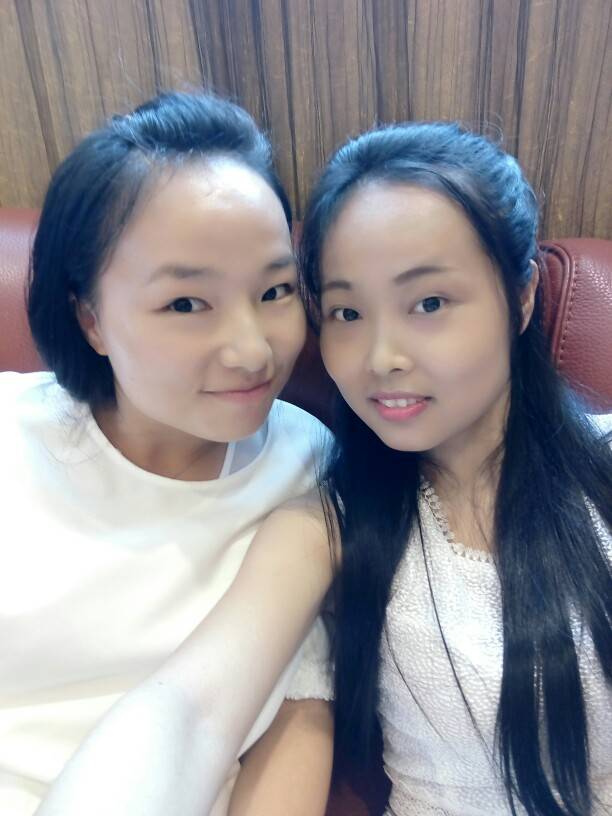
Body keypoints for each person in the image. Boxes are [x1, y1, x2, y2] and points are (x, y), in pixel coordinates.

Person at [0, 91, 334, 816]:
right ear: (90, 318)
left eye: (276, 290)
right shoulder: (10, 438)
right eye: (186, 303)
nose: (252, 350)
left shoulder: (311, 468)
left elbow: (303, 711)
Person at [298, 122, 612, 815]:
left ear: (522, 296)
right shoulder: (329, 521)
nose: (381, 357)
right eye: (347, 311)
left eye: (429, 303)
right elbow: (199, 697)